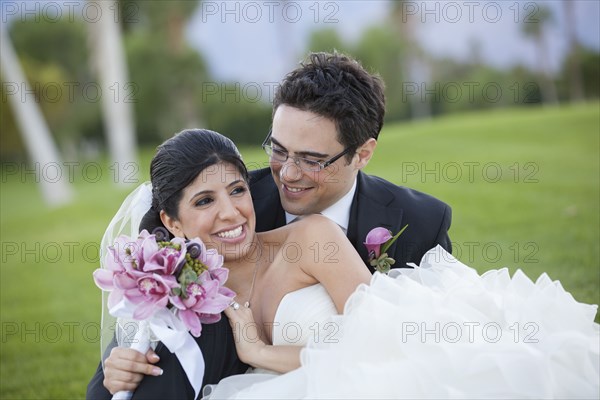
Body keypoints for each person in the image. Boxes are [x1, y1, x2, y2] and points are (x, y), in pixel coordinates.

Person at [86, 128, 372, 399]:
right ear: (172, 222)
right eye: (205, 201)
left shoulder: (312, 240)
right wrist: (115, 372)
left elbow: (381, 341)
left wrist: (258, 353)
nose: (230, 212)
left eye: (237, 190)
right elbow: (113, 382)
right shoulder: (176, 289)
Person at [249, 52, 452, 271]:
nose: (287, 174)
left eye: (310, 161)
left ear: (362, 154)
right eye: (278, 150)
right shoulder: (235, 209)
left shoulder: (421, 224)